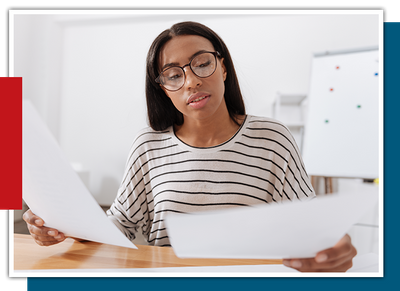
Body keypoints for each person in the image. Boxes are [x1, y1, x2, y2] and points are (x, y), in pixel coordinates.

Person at [23, 21, 357, 272]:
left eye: (201, 63)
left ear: (222, 66)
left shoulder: (273, 138)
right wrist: (63, 228)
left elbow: (309, 224)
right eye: (173, 74)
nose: (192, 80)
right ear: (164, 88)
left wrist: (332, 246)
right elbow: (120, 225)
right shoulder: (148, 145)